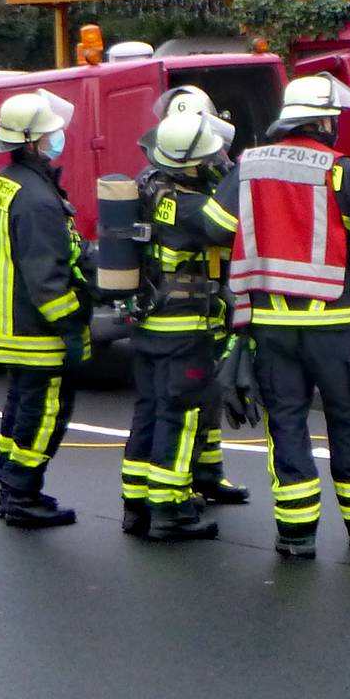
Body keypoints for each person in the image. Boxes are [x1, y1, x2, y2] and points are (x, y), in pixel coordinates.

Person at [212, 73, 350, 558]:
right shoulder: (343, 172)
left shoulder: (248, 165)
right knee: (349, 418)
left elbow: (213, 227)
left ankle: (296, 533)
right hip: (332, 326)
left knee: (286, 422)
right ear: (322, 122)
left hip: (271, 326)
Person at [117, 107, 240, 544]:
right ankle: (170, 510)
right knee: (182, 415)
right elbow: (224, 228)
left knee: (149, 410)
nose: (216, 162)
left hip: (150, 323)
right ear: (189, 164)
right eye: (209, 157)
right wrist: (236, 174)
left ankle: (136, 505)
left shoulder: (150, 186)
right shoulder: (188, 206)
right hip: (183, 328)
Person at [0, 90, 93, 529]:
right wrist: (72, 324)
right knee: (45, 413)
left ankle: (12, 487)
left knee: (21, 407)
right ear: (31, 141)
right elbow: (46, 276)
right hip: (37, 330)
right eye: (51, 133)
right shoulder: (36, 198)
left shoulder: (4, 183)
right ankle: (21, 493)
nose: (57, 137)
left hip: (10, 322)